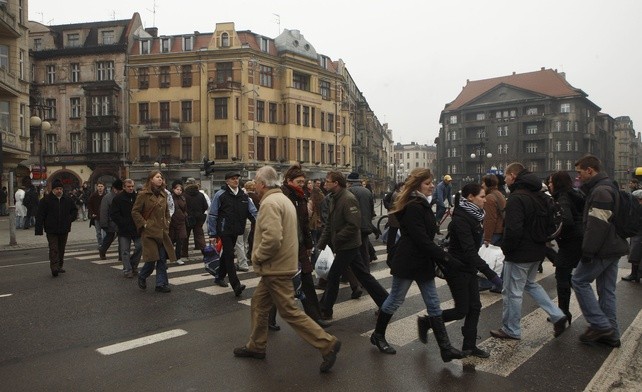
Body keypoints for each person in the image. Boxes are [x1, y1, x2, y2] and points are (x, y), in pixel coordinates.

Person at [232, 165, 341, 373]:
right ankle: (256, 345)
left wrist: (256, 256)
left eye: (256, 180)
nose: (254, 184)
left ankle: (327, 344)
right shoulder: (282, 199)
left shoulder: (270, 203)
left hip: (276, 266)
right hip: (282, 264)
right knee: (259, 304)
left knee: (289, 311)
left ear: (262, 184)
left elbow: (272, 239)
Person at [370, 168, 464, 362]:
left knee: (433, 303)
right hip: (409, 261)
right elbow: (420, 239)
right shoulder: (414, 205)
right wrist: (446, 258)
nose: (431, 186)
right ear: (418, 184)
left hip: (422, 260)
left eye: (431, 183)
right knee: (396, 299)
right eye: (428, 183)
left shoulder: (420, 202)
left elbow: (425, 235)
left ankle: (445, 349)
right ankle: (378, 335)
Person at [490, 162, 568, 340]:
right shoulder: (539, 194)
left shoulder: (517, 198)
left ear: (513, 176)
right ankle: (557, 314)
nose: (504, 179)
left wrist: (506, 248)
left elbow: (513, 229)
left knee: (511, 292)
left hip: (519, 253)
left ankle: (511, 329)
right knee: (530, 284)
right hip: (537, 250)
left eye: (506, 175)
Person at [435, 183, 502, 358]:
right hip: (457, 268)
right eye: (481, 196)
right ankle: (430, 321)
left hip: (469, 267)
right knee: (461, 310)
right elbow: (469, 251)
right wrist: (491, 274)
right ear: (470, 197)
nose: (484, 199)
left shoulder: (476, 215)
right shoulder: (462, 218)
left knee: (475, 307)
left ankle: (470, 346)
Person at [572, 155, 629, 346]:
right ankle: (612, 334)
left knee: (579, 280)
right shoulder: (607, 186)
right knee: (606, 290)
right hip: (613, 246)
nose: (578, 177)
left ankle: (600, 324)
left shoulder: (601, 191)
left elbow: (597, 225)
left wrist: (588, 251)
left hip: (603, 249)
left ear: (590, 170)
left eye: (580, 172)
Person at [317, 171, 388, 321]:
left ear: (336, 183)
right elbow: (329, 224)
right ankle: (385, 301)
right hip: (345, 244)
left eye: (328, 181)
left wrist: (337, 238)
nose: (325, 183)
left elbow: (353, 225)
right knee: (363, 275)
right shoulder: (334, 198)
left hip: (349, 244)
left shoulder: (348, 198)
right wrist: (320, 245)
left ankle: (325, 309)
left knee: (334, 275)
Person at [268, 164, 331, 330]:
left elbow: (304, 223)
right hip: (285, 247)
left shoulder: (301, 197)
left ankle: (316, 317)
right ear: (289, 180)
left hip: (300, 245)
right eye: (299, 181)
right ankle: (269, 318)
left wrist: (309, 244)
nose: (302, 184)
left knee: (307, 281)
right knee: (278, 284)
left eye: (304, 181)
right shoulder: (282, 196)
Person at [207, 171, 257, 297]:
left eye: (237, 179)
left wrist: (260, 224)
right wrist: (212, 233)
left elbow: (253, 212)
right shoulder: (220, 195)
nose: (236, 181)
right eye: (233, 179)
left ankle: (219, 277)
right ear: (227, 181)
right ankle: (236, 285)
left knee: (226, 255)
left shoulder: (244, 196)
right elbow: (212, 215)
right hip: (224, 230)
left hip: (237, 229)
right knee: (229, 254)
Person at [548, 171, 585, 324]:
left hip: (571, 242)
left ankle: (563, 313)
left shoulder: (562, 197)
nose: (549, 185)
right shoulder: (575, 194)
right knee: (569, 276)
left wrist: (555, 233)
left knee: (562, 276)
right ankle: (564, 311)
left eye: (551, 182)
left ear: (557, 183)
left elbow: (567, 220)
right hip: (579, 239)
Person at [131, 170, 177, 293]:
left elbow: (167, 211)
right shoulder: (143, 194)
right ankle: (142, 276)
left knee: (162, 258)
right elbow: (135, 212)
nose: (160, 179)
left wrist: (167, 223)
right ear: (151, 179)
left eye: (161, 177)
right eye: (157, 177)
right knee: (152, 259)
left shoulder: (164, 194)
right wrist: (144, 224)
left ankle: (161, 284)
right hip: (149, 232)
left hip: (162, 231)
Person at [35, 179, 78, 277]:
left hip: (64, 228)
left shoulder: (67, 199)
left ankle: (59, 266)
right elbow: (40, 215)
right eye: (57, 189)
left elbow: (74, 210)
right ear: (53, 190)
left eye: (61, 189)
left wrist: (69, 219)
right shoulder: (46, 200)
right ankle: (54, 267)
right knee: (53, 248)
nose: (59, 191)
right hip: (51, 229)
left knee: (61, 248)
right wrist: (39, 229)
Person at [109, 179, 142, 278]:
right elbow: (114, 214)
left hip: (136, 228)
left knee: (140, 247)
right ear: (124, 187)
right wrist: (122, 222)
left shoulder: (137, 197)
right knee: (124, 250)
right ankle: (127, 270)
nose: (131, 188)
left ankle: (133, 264)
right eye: (129, 186)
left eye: (132, 186)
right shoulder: (118, 199)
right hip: (124, 229)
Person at [346, 172, 376, 270]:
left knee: (353, 251)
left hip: (355, 226)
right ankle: (366, 272)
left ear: (349, 182)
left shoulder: (349, 191)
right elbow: (372, 210)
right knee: (364, 250)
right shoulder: (367, 191)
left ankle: (355, 275)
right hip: (366, 225)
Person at [182, 178, 209, 261]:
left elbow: (182, 207)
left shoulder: (184, 195)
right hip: (199, 218)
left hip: (187, 218)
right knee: (199, 235)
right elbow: (206, 206)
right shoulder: (200, 195)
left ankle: (184, 253)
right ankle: (205, 252)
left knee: (185, 236)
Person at [99, 180, 123, 260]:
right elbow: (103, 211)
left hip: (120, 222)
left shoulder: (121, 196)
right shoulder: (107, 198)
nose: (119, 191)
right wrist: (104, 224)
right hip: (110, 223)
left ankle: (121, 256)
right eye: (118, 189)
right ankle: (102, 251)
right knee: (109, 239)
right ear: (114, 188)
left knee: (122, 240)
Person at [622, 189, 642, 283]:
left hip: (638, 233)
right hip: (637, 233)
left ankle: (634, 274)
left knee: (635, 253)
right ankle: (635, 274)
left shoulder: (638, 208)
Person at [169, 180, 188, 265]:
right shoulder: (170, 198)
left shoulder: (182, 198)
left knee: (180, 240)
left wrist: (184, 215)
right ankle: (167, 256)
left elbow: (185, 208)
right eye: (177, 189)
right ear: (173, 189)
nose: (179, 191)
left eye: (180, 190)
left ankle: (178, 257)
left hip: (181, 222)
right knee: (171, 240)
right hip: (172, 222)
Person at [87, 181, 106, 248]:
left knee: (105, 232)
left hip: (104, 217)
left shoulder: (106, 196)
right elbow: (89, 205)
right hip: (96, 217)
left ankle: (104, 244)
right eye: (99, 186)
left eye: (101, 186)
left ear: (104, 187)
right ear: (97, 187)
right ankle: (100, 244)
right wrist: (92, 213)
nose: (100, 188)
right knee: (98, 232)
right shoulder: (93, 196)